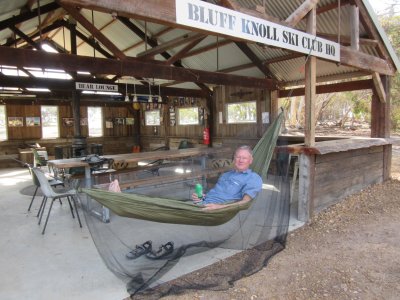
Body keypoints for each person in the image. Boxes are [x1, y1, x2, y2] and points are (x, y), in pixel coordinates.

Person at [192, 145, 263, 210]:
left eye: (244, 158)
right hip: (202, 204)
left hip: (218, 209)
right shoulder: (225, 175)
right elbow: (216, 193)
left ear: (250, 160)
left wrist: (220, 207)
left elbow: (245, 202)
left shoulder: (253, 178)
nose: (240, 160)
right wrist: (201, 197)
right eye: (238, 157)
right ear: (234, 159)